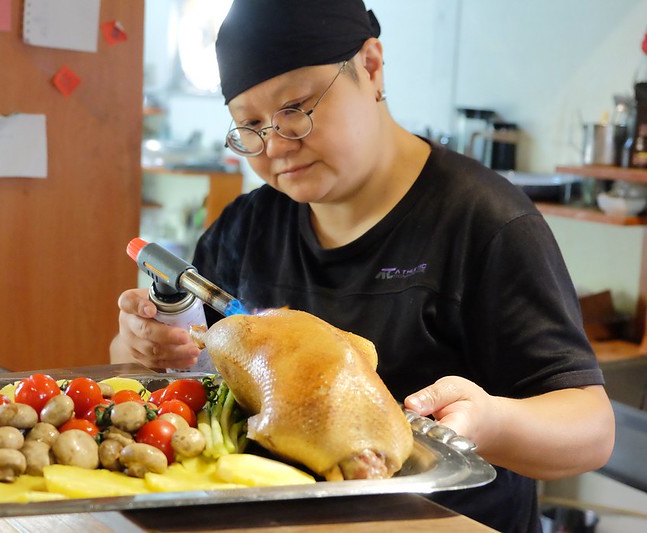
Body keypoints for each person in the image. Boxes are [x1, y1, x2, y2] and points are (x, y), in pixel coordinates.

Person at [110, 1, 615, 531]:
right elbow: (185, 372)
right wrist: (143, 346)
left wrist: (490, 422)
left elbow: (592, 428)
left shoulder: (485, 224)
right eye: (250, 126)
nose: (277, 145)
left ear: (372, 67)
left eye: (296, 108)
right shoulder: (249, 223)